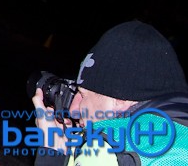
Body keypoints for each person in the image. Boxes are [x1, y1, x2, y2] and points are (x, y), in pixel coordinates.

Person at [31, 20, 188, 165]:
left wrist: (51, 152)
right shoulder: (173, 141)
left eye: (83, 95)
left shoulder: (112, 149)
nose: (73, 110)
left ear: (120, 99)